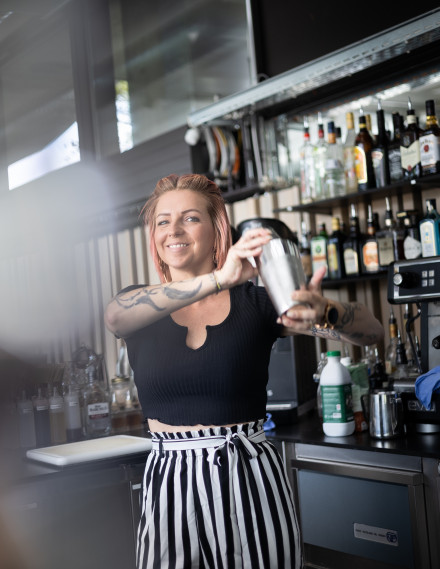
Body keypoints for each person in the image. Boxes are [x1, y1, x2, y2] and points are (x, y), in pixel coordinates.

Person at [104, 173, 384, 569]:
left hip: (249, 479)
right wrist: (218, 278)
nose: (174, 230)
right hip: (170, 485)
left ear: (217, 228)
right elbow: (115, 316)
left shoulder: (256, 302)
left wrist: (327, 312)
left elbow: (370, 332)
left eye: (190, 218)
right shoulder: (140, 305)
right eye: (163, 221)